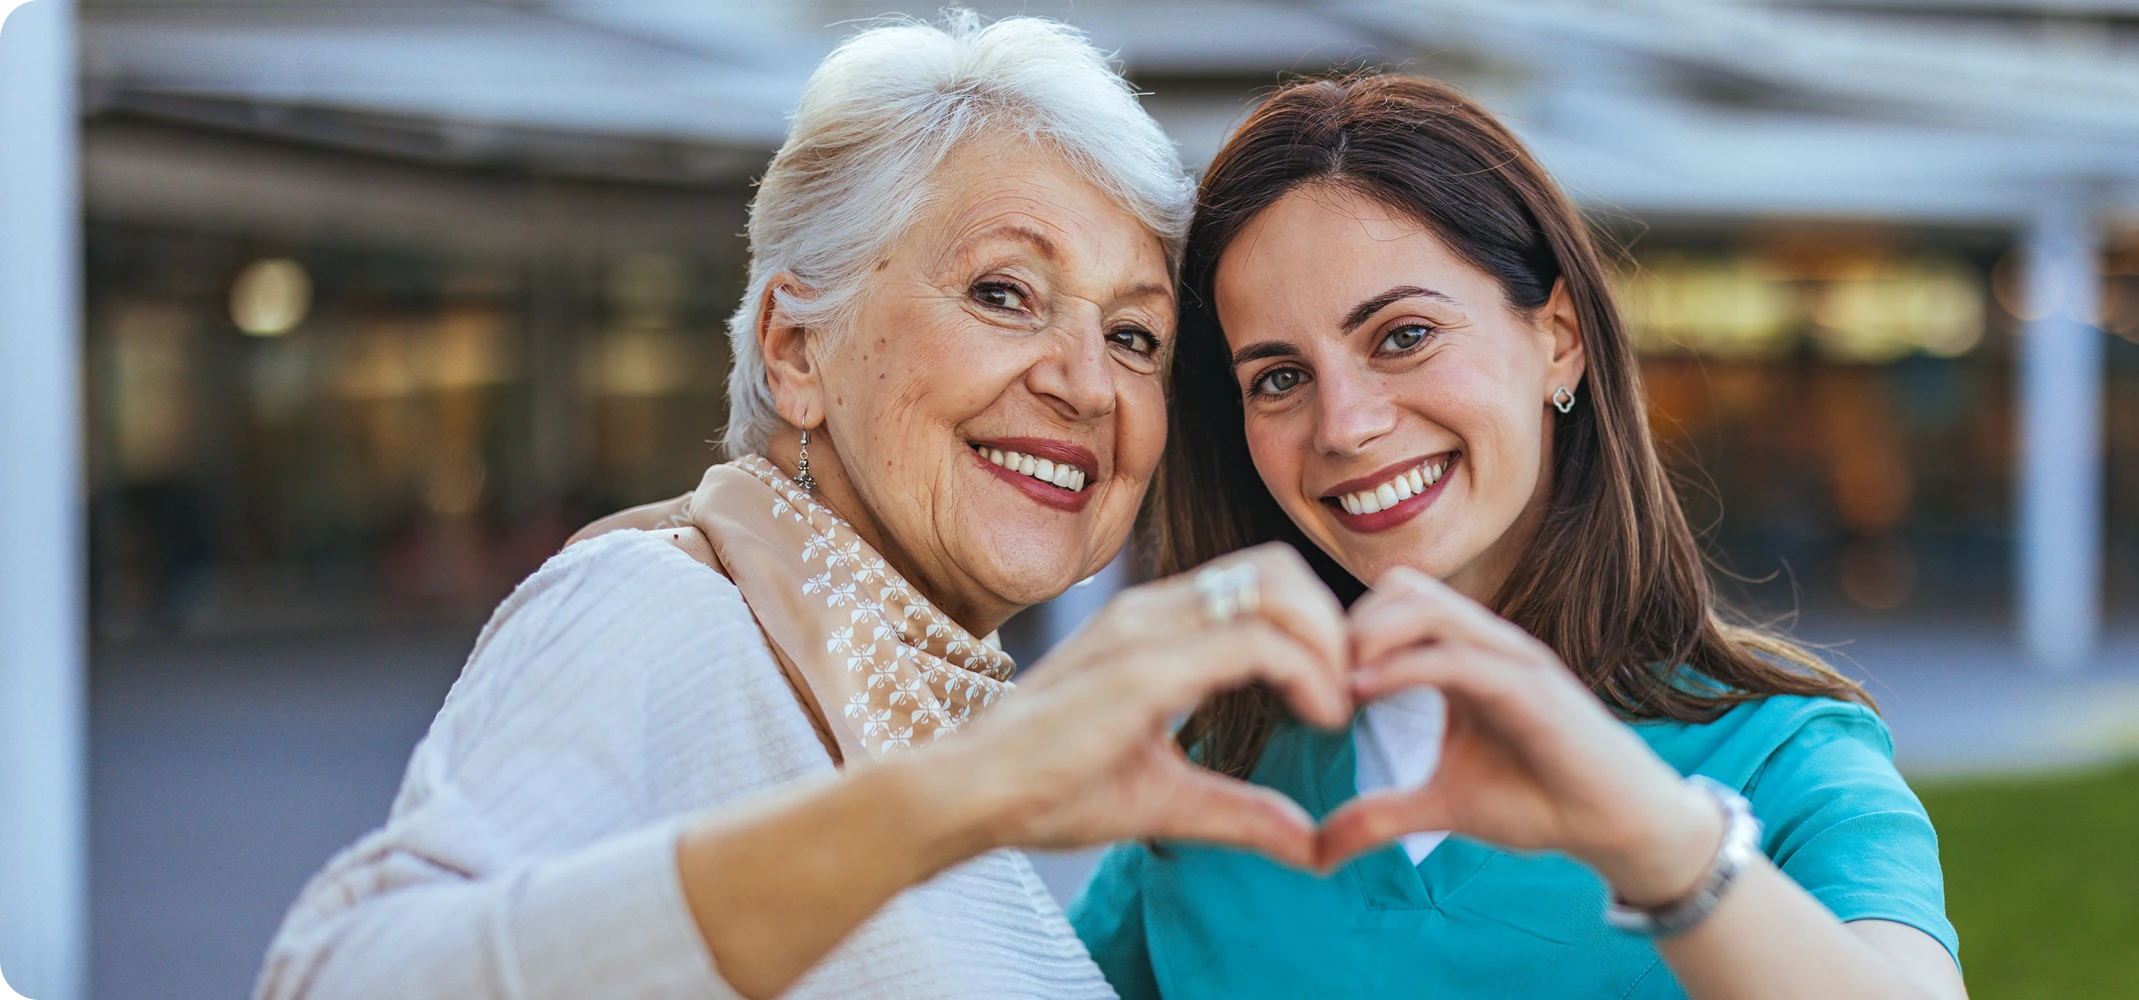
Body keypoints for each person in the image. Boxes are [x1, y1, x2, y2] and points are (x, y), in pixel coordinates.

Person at [255, 15, 1357, 1000]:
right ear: (794, 351)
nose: (1084, 381)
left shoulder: (923, 720)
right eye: (1001, 291)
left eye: (1133, 336)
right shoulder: (660, 603)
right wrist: (958, 792)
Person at [1070, 74, 1969, 1000]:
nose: (1343, 425)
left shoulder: (1788, 762)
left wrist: (1654, 845)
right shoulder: (1212, 788)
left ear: (1561, 339)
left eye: (1403, 334)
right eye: (1279, 377)